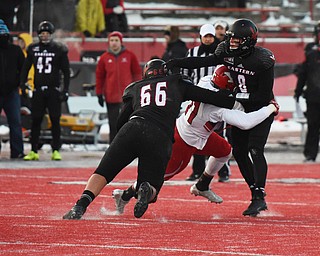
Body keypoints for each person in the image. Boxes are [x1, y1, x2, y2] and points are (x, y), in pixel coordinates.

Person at [62, 59, 239, 220]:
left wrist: (122, 142)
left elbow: (121, 121)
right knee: (152, 188)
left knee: (104, 171)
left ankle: (80, 206)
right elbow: (213, 98)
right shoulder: (177, 82)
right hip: (160, 135)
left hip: (132, 127)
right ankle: (146, 188)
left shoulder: (135, 87)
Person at [112, 65, 279, 215]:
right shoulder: (217, 108)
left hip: (198, 134)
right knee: (155, 180)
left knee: (225, 151)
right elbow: (246, 122)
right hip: (182, 143)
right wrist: (271, 107)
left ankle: (202, 185)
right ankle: (124, 195)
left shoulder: (205, 81)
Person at [166, 18, 276, 217]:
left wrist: (232, 97)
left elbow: (262, 95)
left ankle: (259, 197)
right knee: (240, 151)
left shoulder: (262, 59)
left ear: (249, 41)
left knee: (255, 149)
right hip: (239, 108)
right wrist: (176, 63)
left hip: (262, 107)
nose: (231, 43)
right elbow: (203, 61)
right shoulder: (226, 51)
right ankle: (254, 193)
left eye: (237, 40)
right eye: (231, 39)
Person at [21, 21, 70, 161]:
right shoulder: (33, 49)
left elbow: (66, 72)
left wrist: (65, 89)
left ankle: (56, 150)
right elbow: (25, 68)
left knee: (55, 120)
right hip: (38, 91)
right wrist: (23, 84)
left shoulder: (59, 49)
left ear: (51, 35)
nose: (45, 36)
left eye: (47, 34)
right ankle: (33, 150)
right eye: (42, 34)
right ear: (39, 35)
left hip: (53, 90)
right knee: (36, 120)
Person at [181, 23, 219, 182]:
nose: (209, 39)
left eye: (211, 36)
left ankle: (222, 172)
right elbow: (185, 73)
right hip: (197, 98)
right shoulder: (193, 52)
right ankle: (197, 170)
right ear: (201, 37)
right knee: (196, 133)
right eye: (206, 36)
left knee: (218, 133)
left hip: (217, 98)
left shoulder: (220, 52)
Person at [95, 31, 142, 143]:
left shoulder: (130, 56)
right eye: (112, 40)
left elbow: (136, 73)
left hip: (128, 97)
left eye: (116, 40)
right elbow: (100, 77)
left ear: (120, 42)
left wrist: (138, 90)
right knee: (113, 123)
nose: (114, 43)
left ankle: (128, 145)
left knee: (128, 122)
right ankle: (113, 146)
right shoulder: (104, 58)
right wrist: (99, 93)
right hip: (111, 96)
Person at [0, 19, 25, 159]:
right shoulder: (15, 50)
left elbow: (24, 68)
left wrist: (18, 83)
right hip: (7, 92)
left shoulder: (15, 50)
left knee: (15, 122)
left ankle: (17, 151)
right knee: (15, 123)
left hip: (12, 92)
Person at [294, 39, 320, 162]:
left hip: (313, 95)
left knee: (313, 126)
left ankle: (310, 153)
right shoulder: (311, 54)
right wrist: (298, 91)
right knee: (313, 125)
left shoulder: (311, 54)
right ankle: (310, 153)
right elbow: (303, 74)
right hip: (313, 96)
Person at [17, 32, 34, 109]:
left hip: (29, 90)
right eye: (19, 41)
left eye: (22, 41)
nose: (19, 43)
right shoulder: (18, 54)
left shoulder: (31, 56)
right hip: (19, 90)